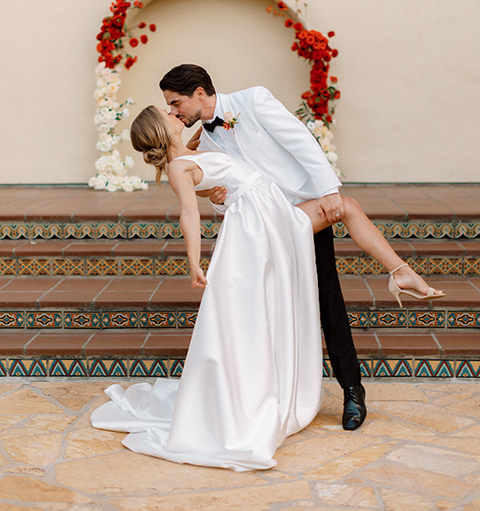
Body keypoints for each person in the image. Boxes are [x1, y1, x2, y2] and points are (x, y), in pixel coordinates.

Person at [159, 65, 445, 431]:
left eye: (176, 103)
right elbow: (226, 196)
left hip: (305, 214)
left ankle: (353, 392)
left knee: (329, 303)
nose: (174, 112)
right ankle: (273, 396)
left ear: (200, 93)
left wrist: (327, 190)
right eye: (169, 108)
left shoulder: (253, 100)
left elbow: (300, 139)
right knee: (275, 311)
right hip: (264, 229)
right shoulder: (203, 142)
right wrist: (217, 199)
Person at [92, 105, 324, 471]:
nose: (173, 112)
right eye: (166, 113)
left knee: (264, 303)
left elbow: (210, 183)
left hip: (263, 213)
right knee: (245, 313)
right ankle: (247, 398)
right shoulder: (177, 167)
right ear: (162, 130)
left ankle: (262, 385)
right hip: (249, 229)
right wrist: (195, 261)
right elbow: (188, 213)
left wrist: (214, 189)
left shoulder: (192, 150)